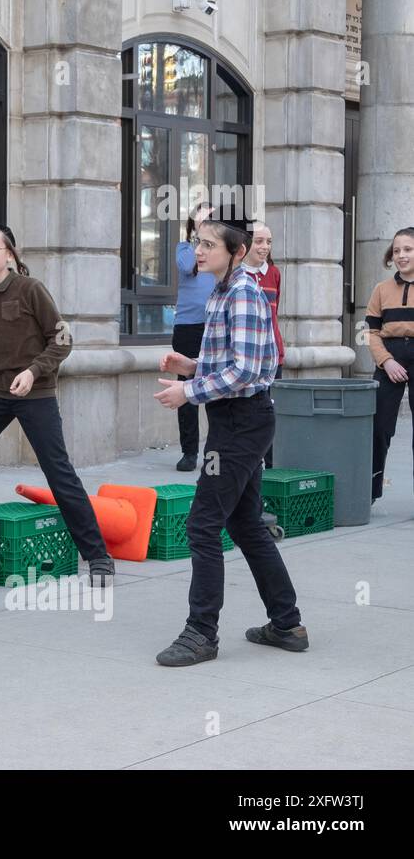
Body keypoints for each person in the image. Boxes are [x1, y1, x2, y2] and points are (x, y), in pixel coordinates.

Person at [153, 198, 307, 666]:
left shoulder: (240, 293)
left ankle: (202, 634)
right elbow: (237, 363)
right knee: (245, 524)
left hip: (240, 423)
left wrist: (189, 391)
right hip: (238, 419)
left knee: (203, 524)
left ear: (235, 251)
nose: (198, 251)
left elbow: (242, 373)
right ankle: (287, 624)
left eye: (207, 244)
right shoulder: (223, 289)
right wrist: (191, 366)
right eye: (198, 242)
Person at [0, 224, 115, 584]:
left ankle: (97, 556)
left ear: (10, 255)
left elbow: (62, 339)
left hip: (35, 395)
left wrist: (34, 371)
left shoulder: (31, 290)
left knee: (58, 473)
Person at [366, 227, 414, 504]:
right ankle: (371, 493)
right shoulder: (381, 290)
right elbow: (369, 332)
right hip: (390, 356)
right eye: (397, 250)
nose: (401, 255)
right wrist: (387, 361)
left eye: (407, 249)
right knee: (379, 427)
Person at [172, 204, 217, 471]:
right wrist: (199, 233)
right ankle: (189, 451)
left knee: (215, 389)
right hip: (188, 326)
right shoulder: (186, 249)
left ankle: (215, 451)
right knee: (187, 387)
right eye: (203, 219)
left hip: (214, 324)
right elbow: (189, 266)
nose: (208, 222)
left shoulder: (220, 253)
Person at [244, 221, 285, 467]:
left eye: (268, 242)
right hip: (248, 356)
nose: (265, 247)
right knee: (251, 413)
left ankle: (268, 466)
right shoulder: (237, 275)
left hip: (272, 354)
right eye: (259, 241)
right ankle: (251, 461)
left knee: (269, 412)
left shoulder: (274, 273)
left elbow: (274, 313)